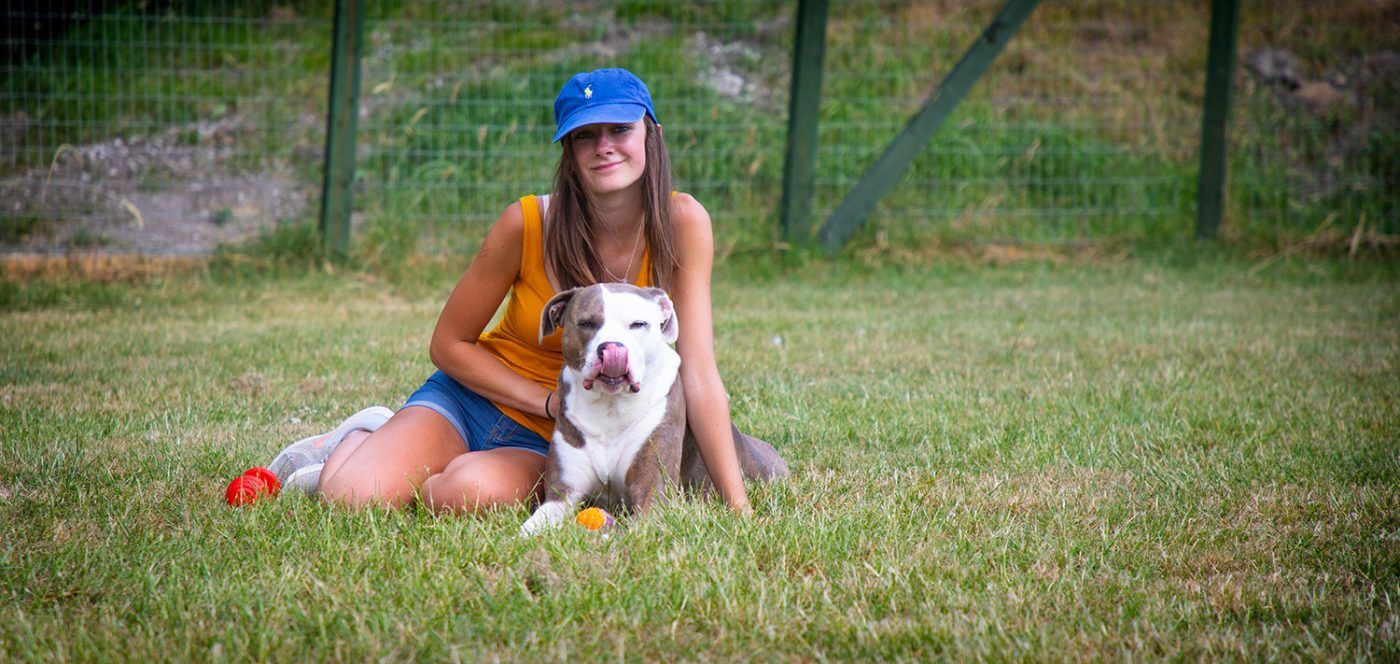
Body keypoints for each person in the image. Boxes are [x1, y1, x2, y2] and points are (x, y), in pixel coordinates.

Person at [269, 68, 756, 515]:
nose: (603, 146)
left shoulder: (684, 222)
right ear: (568, 150)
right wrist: (543, 399)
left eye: (619, 129)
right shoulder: (526, 222)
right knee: (350, 499)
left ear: (652, 134)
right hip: (475, 399)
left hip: (562, 432)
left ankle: (395, 457)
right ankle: (359, 437)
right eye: (585, 135)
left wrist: (739, 506)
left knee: (461, 496)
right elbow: (447, 344)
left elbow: (698, 372)